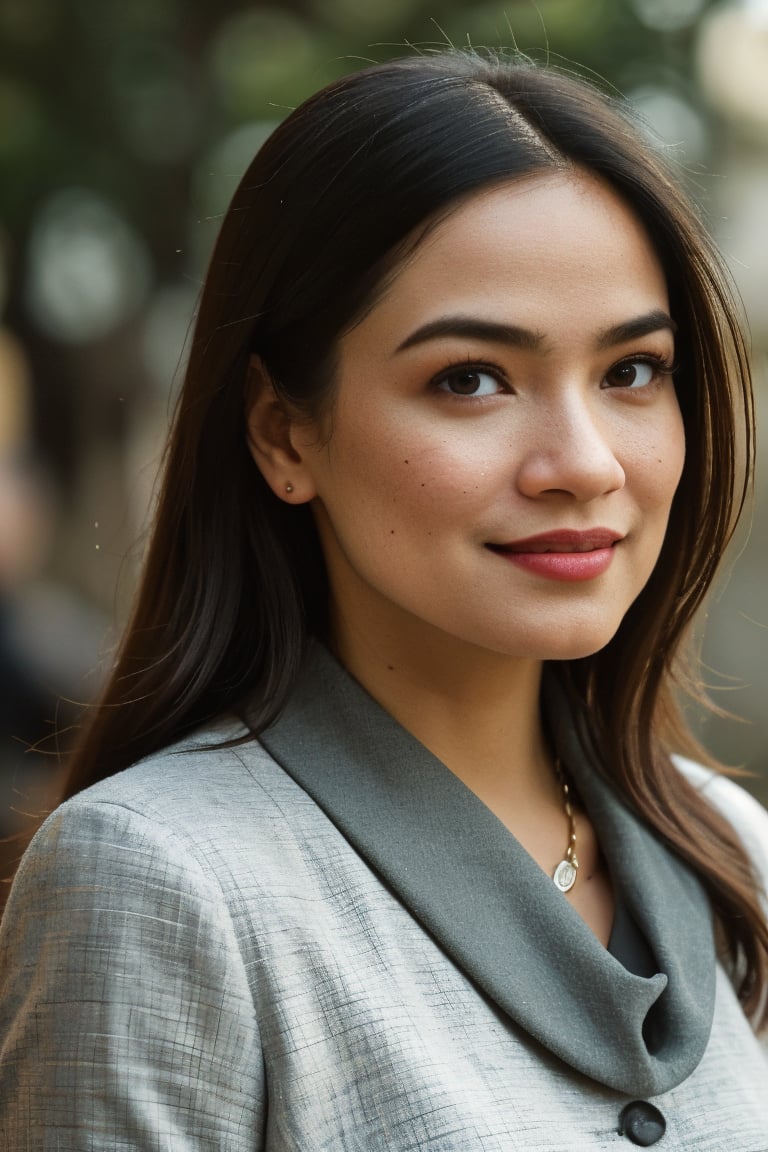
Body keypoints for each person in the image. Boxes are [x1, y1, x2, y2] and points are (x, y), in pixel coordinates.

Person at [1, 48, 766, 1149]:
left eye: (631, 371)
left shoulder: (730, 851)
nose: (585, 462)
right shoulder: (160, 881)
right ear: (282, 431)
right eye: (471, 378)